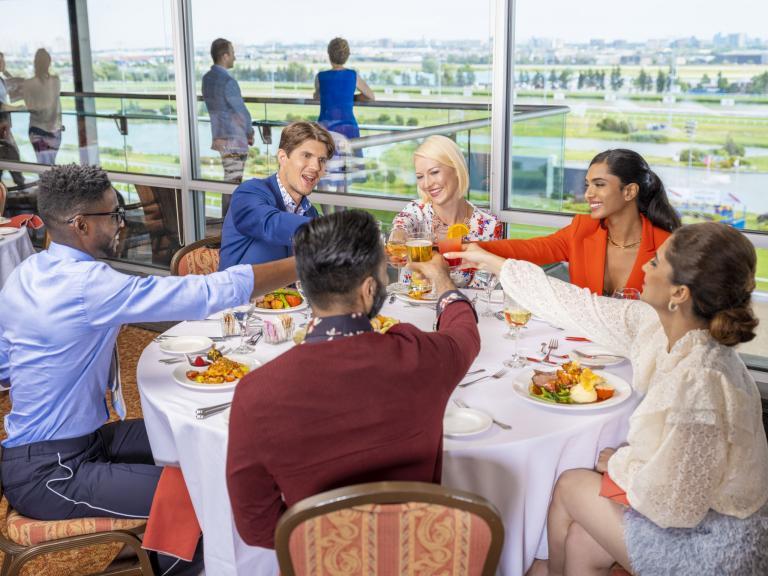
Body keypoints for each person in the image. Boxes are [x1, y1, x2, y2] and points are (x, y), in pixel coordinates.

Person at [0, 164, 297, 575]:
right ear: (81, 224)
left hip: (72, 443)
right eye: (114, 215)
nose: (122, 224)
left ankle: (160, 554)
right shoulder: (88, 285)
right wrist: (304, 263)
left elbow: (4, 365)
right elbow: (206, 292)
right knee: (206, 493)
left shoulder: (27, 273)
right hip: (53, 472)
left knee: (184, 435)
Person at [445, 222, 768, 576]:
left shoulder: (701, 381)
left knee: (571, 484)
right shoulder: (661, 327)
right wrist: (492, 262)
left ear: (679, 293)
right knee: (581, 541)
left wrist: (620, 464)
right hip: (692, 515)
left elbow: (676, 502)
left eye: (655, 263)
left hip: (716, 546)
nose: (644, 267)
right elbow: (578, 306)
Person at [226, 209, 481, 548]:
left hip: (321, 560)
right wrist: (443, 282)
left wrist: (331, 539)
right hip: (420, 553)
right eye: (383, 273)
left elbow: (256, 527)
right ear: (368, 289)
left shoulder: (256, 392)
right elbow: (465, 333)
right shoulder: (421, 356)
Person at [478, 149, 681, 295]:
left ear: (629, 191)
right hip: (583, 342)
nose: (588, 194)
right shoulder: (583, 230)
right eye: (587, 185)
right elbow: (529, 249)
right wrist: (470, 248)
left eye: (599, 185)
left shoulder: (667, 247)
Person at [218, 121, 335, 269]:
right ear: (282, 157)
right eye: (306, 155)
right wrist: (332, 230)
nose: (316, 167)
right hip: (241, 285)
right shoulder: (248, 193)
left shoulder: (310, 213)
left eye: (322, 160)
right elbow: (270, 223)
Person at [391, 134, 502, 287]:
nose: (427, 184)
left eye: (434, 172)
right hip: (411, 302)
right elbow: (402, 224)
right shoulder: (417, 211)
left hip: (463, 303)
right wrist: (397, 237)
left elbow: (484, 289)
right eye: (420, 176)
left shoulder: (488, 225)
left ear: (456, 169)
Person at [202, 38, 254, 187]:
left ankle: (228, 204)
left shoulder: (207, 79)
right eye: (232, 53)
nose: (234, 57)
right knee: (233, 183)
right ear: (225, 56)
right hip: (234, 139)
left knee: (229, 180)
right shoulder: (228, 81)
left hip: (219, 136)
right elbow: (241, 111)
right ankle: (230, 204)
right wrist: (249, 132)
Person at [314, 37, 374, 142]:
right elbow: (370, 96)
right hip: (348, 127)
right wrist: (351, 97)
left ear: (329, 54)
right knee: (350, 152)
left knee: (326, 152)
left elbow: (317, 96)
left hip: (325, 128)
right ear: (347, 56)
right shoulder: (353, 75)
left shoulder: (320, 77)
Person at [21, 48, 62, 165]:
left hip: (37, 129)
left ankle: (45, 177)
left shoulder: (28, 83)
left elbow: (30, 107)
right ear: (49, 62)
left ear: (35, 63)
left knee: (43, 165)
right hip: (54, 129)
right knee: (50, 164)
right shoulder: (56, 80)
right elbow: (54, 104)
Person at [0, 52, 25, 187]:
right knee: (12, 154)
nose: (3, 64)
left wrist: (6, 72)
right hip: (1, 124)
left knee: (10, 154)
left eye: (3, 61)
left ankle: (20, 186)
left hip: (4, 124)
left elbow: (16, 85)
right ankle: (21, 186)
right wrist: (17, 108)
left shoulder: (2, 80)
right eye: (0, 61)